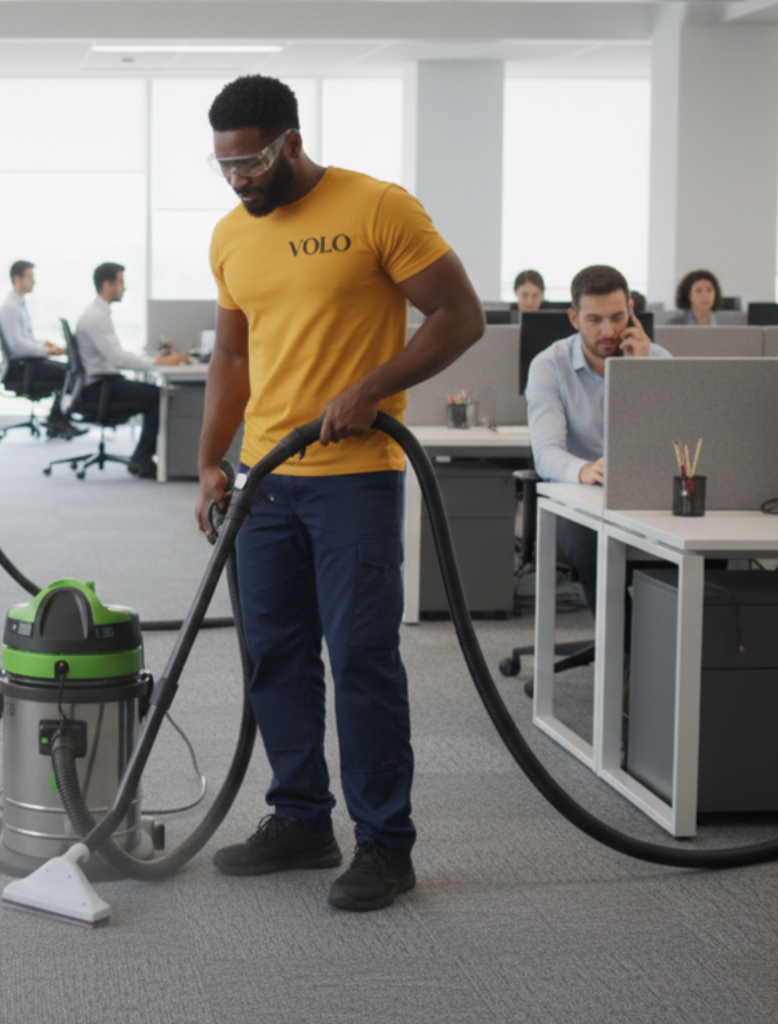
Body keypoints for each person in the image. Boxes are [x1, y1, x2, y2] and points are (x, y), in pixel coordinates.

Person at [197, 75, 484, 912]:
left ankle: (384, 844)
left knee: (360, 658)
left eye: (249, 161)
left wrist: (372, 387)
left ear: (289, 140)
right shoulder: (228, 236)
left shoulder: (376, 207)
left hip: (353, 479)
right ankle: (299, 818)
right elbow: (232, 359)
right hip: (264, 482)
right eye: (223, 167)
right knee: (274, 655)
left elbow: (457, 317)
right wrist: (211, 458)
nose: (238, 179)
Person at [525, 264, 670, 616]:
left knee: (705, 552)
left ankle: (670, 653)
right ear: (574, 318)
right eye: (594, 320)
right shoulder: (549, 366)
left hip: (647, 494)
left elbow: (673, 442)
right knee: (596, 546)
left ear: (631, 311)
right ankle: (626, 660)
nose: (608, 331)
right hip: (581, 499)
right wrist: (587, 469)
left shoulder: (658, 360)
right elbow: (546, 455)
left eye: (618, 317)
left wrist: (639, 375)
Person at [73, 262, 190, 477]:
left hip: (102, 383)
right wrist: (157, 361)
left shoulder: (98, 313)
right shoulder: (95, 317)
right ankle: (142, 458)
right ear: (108, 285)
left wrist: (153, 360)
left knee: (152, 391)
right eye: (121, 282)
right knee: (157, 395)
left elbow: (115, 355)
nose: (124, 288)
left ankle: (143, 456)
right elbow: (117, 358)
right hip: (99, 388)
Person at [0, 261, 81, 439]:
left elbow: (24, 340)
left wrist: (43, 346)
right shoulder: (10, 307)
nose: (34, 281)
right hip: (22, 368)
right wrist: (46, 351)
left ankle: (57, 420)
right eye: (30, 277)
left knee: (67, 370)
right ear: (17, 279)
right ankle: (57, 420)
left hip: (27, 363)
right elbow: (17, 347)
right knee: (69, 373)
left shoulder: (18, 305)